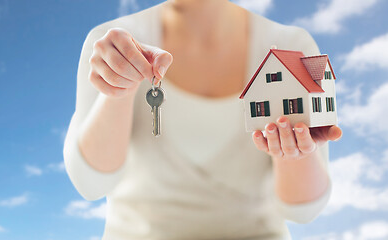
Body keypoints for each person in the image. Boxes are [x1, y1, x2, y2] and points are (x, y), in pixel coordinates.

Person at [63, 0, 343, 239]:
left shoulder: (292, 45)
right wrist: (118, 90)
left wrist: (293, 154)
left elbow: (303, 211)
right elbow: (91, 184)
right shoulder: (111, 44)